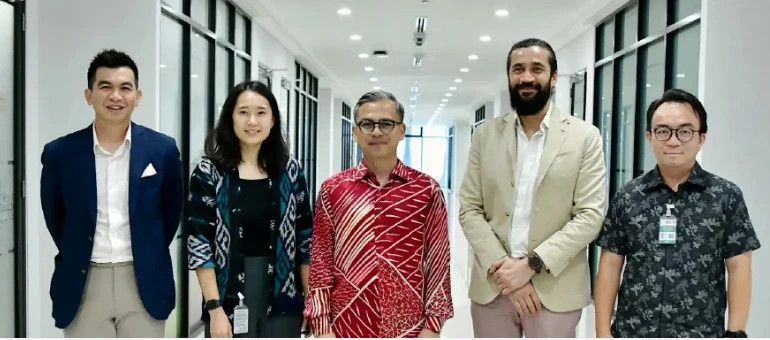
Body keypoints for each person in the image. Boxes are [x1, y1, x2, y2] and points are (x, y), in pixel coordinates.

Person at [458, 38, 606, 338]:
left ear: (553, 78)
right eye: (518, 69)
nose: (526, 77)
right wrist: (505, 271)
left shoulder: (584, 137)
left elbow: (590, 215)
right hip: (493, 289)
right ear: (510, 76)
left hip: (554, 291)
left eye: (536, 69)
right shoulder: (485, 135)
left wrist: (531, 265)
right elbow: (470, 208)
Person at [594, 88, 761, 338]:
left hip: (702, 333)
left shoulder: (726, 196)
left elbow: (739, 267)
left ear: (701, 138)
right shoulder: (628, 197)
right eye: (663, 131)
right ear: (650, 136)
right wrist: (602, 332)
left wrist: (735, 332)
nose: (673, 141)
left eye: (685, 131)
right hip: (633, 331)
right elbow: (609, 266)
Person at [40, 49, 183, 337]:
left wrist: (146, 249)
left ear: (138, 96)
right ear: (88, 95)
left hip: (144, 282)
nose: (115, 96)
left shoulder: (162, 150)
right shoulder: (61, 153)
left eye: (125, 88)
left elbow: (171, 214)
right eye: (105, 86)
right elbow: (55, 217)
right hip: (85, 282)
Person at [304, 90, 453, 338]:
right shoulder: (333, 189)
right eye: (367, 124)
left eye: (386, 124)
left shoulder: (426, 190)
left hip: (409, 329)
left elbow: (438, 262)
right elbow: (321, 262)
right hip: (345, 327)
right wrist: (322, 328)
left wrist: (432, 327)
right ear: (354, 132)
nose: (376, 132)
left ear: (401, 131)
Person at [187, 80, 312, 338]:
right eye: (243, 112)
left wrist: (310, 301)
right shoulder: (209, 173)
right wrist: (214, 308)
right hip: (226, 298)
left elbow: (305, 242)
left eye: (261, 113)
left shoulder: (290, 171)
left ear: (273, 120)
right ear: (230, 118)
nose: (252, 121)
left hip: (283, 298)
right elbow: (200, 245)